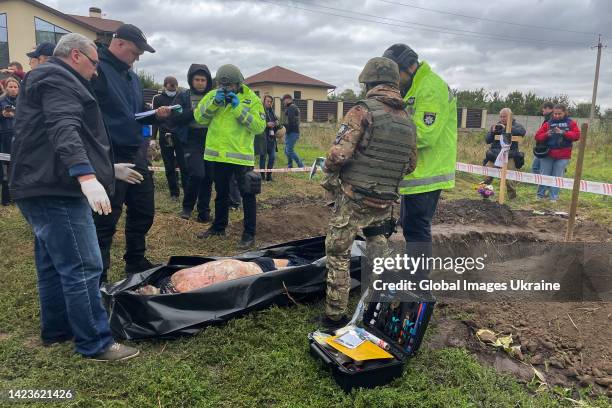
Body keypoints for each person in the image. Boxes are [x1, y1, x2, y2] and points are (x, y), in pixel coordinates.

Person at [9, 33, 140, 361]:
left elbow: (59, 134)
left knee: (54, 262)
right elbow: (63, 126)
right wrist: (85, 175)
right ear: (77, 56)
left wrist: (107, 170)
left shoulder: (44, 79)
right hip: (58, 188)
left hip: (37, 184)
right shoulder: (58, 78)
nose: (96, 72)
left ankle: (58, 329)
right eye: (95, 63)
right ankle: (95, 342)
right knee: (84, 264)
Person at [320, 57, 417, 329]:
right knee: (380, 253)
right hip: (384, 200)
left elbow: (339, 154)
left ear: (370, 82)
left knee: (338, 253)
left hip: (354, 197)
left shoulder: (363, 110)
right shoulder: (408, 121)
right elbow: (411, 164)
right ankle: (387, 307)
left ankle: (333, 316)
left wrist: (328, 170)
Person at [92, 24, 172, 282]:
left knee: (143, 208)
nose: (137, 58)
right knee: (105, 217)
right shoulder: (97, 70)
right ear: (120, 44)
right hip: (110, 153)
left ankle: (135, 260)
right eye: (136, 52)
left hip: (135, 152)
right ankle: (99, 274)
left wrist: (154, 116)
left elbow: (136, 114)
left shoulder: (132, 77)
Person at [383, 43, 456, 280]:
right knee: (410, 224)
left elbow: (425, 133)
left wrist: (387, 137)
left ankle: (417, 279)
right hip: (417, 173)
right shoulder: (416, 85)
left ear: (408, 67)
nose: (395, 81)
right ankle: (413, 272)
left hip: (427, 172)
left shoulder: (431, 87)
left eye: (396, 74)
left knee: (417, 228)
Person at [194, 64, 266, 249]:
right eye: (222, 85)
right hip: (217, 156)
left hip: (240, 156)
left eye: (230, 86)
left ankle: (249, 234)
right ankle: (219, 227)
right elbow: (199, 118)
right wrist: (214, 103)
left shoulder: (251, 99)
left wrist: (238, 108)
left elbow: (259, 126)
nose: (226, 89)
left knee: (248, 195)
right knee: (221, 193)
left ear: (238, 83)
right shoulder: (212, 95)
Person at [172, 64, 214, 222]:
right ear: (191, 80)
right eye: (197, 79)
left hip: (210, 139)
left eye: (203, 80)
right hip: (191, 139)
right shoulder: (182, 96)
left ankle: (204, 211)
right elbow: (175, 118)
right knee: (197, 174)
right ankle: (187, 207)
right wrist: (195, 112)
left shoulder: (212, 96)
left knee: (209, 177)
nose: (200, 82)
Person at [136, 257, 303, 295]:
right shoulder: (179, 292)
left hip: (254, 265)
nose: (143, 288)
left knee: (290, 262)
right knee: (295, 267)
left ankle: (303, 264)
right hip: (257, 271)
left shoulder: (170, 279)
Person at [152, 76, 188, 201]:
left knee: (184, 164)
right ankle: (174, 193)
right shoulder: (158, 99)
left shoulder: (181, 98)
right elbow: (155, 119)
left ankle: (187, 191)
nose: (173, 88)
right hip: (165, 135)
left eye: (174, 86)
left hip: (179, 135)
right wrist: (153, 138)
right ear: (165, 85)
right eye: (170, 85)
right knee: (168, 165)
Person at [534, 104, 580, 201]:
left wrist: (564, 133)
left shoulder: (571, 123)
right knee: (545, 175)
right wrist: (546, 134)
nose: (557, 116)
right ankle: (540, 195)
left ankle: (553, 198)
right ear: (553, 113)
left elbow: (576, 135)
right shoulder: (548, 123)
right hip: (548, 154)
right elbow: (537, 136)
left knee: (557, 176)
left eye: (560, 114)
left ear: (565, 113)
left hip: (563, 154)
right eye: (555, 113)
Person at [482, 108, 526, 199]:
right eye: (501, 116)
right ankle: (485, 195)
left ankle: (512, 197)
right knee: (487, 176)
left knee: (509, 179)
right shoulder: (496, 126)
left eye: (505, 117)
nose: (502, 118)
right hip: (495, 155)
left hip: (509, 155)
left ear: (510, 117)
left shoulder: (517, 126)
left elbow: (522, 132)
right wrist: (492, 132)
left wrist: (506, 128)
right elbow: (487, 140)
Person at [0, 76, 18, 205]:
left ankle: (17, 196)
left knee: (18, 167)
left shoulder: (24, 101)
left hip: (20, 137)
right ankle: (6, 198)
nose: (13, 89)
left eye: (15, 86)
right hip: (4, 139)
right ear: (6, 88)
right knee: (6, 168)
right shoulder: (1, 101)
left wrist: (16, 114)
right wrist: (2, 114)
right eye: (10, 86)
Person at [259, 95, 280, 181]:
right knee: (263, 157)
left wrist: (277, 123)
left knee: (272, 157)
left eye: (271, 102)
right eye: (268, 101)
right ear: (264, 101)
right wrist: (266, 124)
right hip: (263, 137)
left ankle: (269, 176)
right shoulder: (260, 110)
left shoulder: (271, 111)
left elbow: (276, 121)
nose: (269, 103)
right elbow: (257, 123)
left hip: (272, 138)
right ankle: (262, 176)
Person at [281, 94, 304, 168]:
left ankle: (301, 165)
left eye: (283, 100)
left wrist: (284, 128)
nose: (283, 102)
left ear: (288, 100)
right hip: (293, 132)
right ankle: (290, 165)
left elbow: (290, 121)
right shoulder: (293, 107)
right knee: (286, 150)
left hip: (292, 132)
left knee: (289, 150)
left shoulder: (291, 107)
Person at [532, 101, 554, 175]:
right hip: (544, 147)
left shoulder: (550, 119)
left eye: (543, 109)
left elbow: (546, 134)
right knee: (537, 168)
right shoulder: (548, 119)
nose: (542, 111)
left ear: (548, 108)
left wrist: (541, 136)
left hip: (545, 148)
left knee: (536, 168)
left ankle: (541, 184)